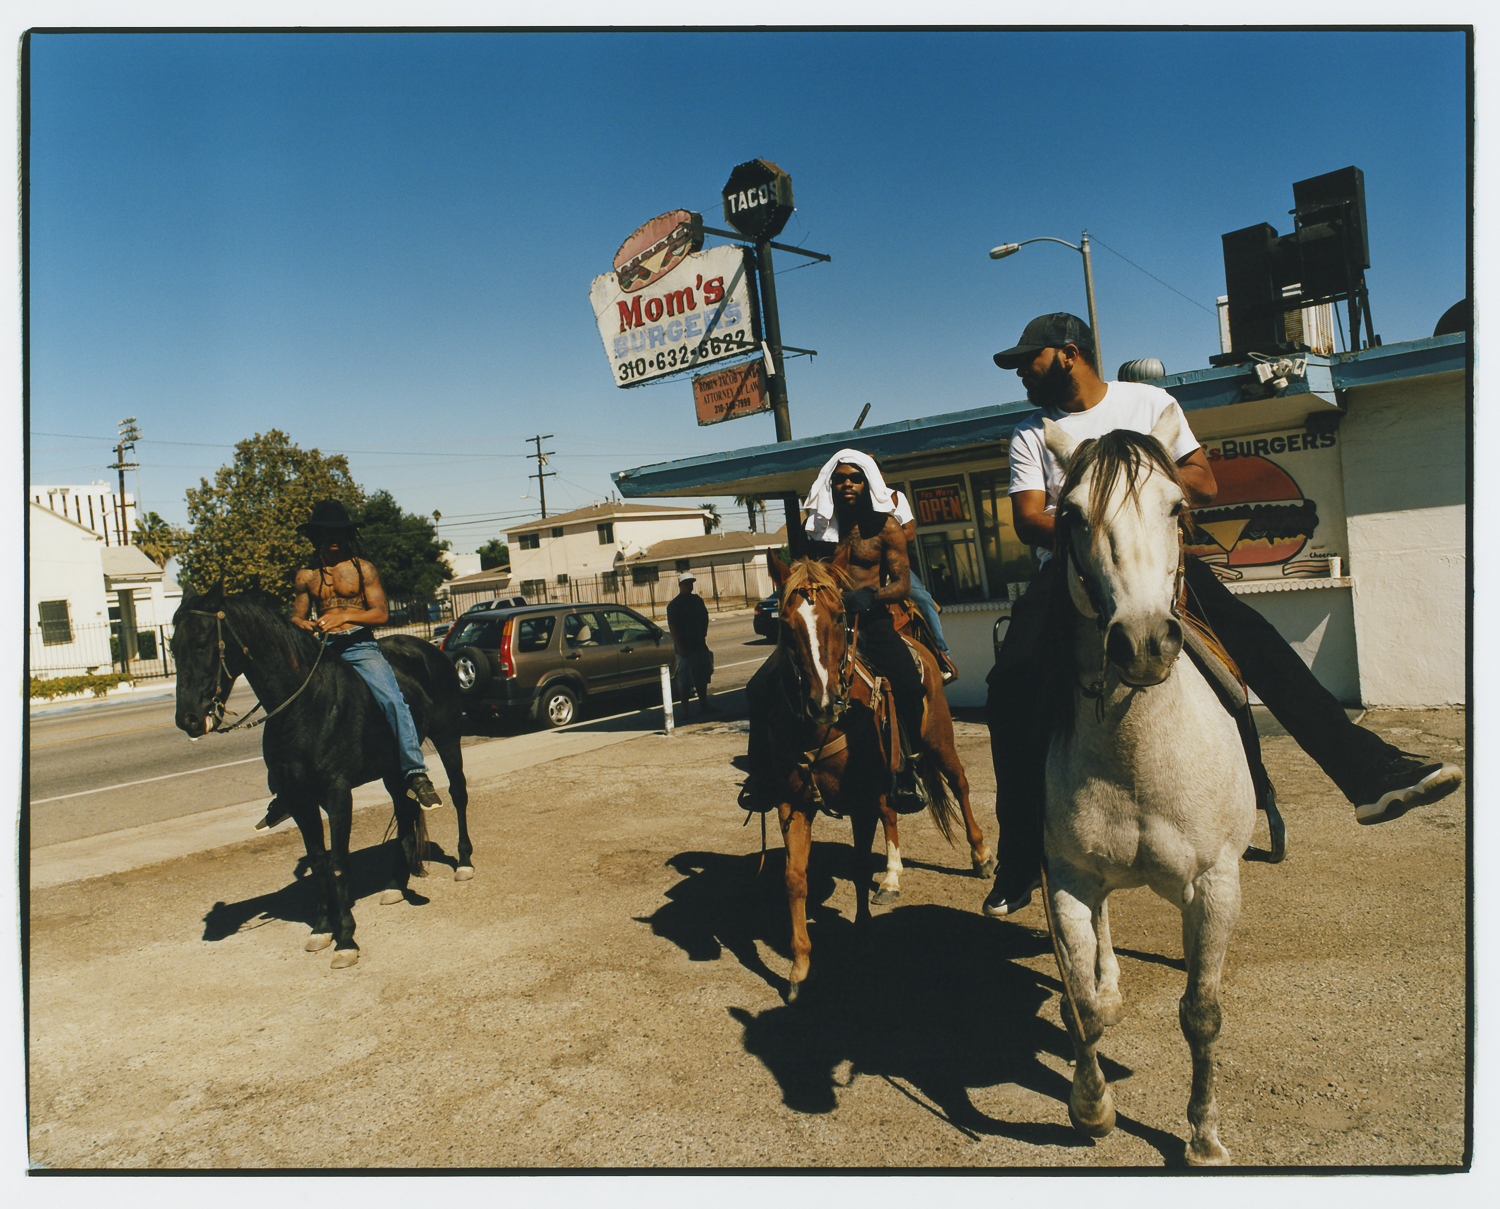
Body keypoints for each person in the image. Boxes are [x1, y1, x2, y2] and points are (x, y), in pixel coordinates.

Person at [980, 313, 1464, 917]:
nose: (1022, 372)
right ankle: (1022, 855)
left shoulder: (1149, 403)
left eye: (1030, 360)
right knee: (1011, 684)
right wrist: (1100, 527)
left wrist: (1144, 500)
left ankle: (1369, 774)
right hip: (1076, 569)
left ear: (1069, 353)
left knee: (1260, 647)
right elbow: (1029, 518)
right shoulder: (1032, 433)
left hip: (1165, 564)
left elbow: (1203, 483)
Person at [740, 449, 928, 811]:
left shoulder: (886, 528)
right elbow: (800, 572)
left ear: (868, 482)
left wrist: (871, 596)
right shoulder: (815, 530)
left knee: (908, 683)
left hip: (871, 621)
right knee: (759, 687)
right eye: (839, 478)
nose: (846, 484)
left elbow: (903, 583)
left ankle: (908, 767)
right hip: (825, 626)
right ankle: (762, 776)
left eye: (854, 478)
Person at [255, 499, 443, 830]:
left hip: (359, 646)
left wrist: (344, 614)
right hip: (323, 651)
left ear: (347, 535)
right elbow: (297, 617)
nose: (334, 539)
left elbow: (381, 613)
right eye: (327, 534)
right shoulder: (307, 576)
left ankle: (415, 773)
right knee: (286, 706)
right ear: (316, 537)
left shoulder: (363, 569)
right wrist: (303, 625)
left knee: (392, 699)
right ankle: (284, 787)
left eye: (339, 533)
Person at [887, 485, 956, 682]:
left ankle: (943, 656)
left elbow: (908, 534)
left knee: (924, 601)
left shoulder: (894, 497)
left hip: (894, 566)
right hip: (862, 568)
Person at [667, 572, 716, 718]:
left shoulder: (697, 600)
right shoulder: (674, 605)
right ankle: (684, 710)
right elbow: (673, 627)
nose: (690, 586)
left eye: (691, 583)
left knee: (702, 675)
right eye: (687, 583)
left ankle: (704, 705)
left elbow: (705, 616)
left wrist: (703, 634)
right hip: (685, 647)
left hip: (699, 644)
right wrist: (680, 647)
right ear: (680, 585)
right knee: (685, 678)